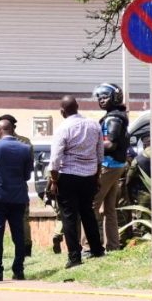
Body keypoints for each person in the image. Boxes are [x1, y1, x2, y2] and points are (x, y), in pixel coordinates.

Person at [48, 96, 104, 268]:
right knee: (88, 212)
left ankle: (74, 257)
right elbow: (100, 153)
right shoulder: (94, 125)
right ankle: (97, 249)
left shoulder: (63, 128)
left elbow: (55, 158)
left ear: (62, 112)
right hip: (89, 176)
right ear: (78, 107)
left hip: (68, 176)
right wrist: (96, 176)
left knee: (69, 216)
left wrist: (54, 180)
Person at [0, 119, 33, 281]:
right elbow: (27, 175)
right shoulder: (25, 148)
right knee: (18, 233)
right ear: (12, 130)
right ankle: (19, 269)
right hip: (18, 196)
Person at [92, 83, 129, 251]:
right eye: (99, 97)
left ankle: (89, 246)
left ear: (115, 98)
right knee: (109, 208)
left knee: (91, 205)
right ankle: (113, 245)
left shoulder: (113, 118)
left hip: (109, 165)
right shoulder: (115, 115)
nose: (101, 100)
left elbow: (110, 144)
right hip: (116, 165)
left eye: (105, 97)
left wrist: (91, 145)